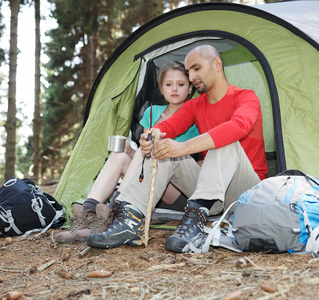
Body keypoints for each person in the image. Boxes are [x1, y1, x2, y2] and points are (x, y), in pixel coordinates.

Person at [87, 44, 268, 252]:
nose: (191, 77)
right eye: (189, 71)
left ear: (217, 64)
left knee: (225, 141)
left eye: (196, 68)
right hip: (214, 196)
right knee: (163, 148)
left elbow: (238, 127)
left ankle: (195, 221)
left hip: (246, 195)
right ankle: (129, 220)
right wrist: (150, 136)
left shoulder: (246, 97)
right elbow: (168, 126)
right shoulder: (195, 105)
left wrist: (182, 147)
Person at [56, 61, 199, 243]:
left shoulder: (194, 116)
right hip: (145, 182)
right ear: (161, 89)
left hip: (175, 190)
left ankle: (114, 211)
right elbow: (142, 160)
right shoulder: (151, 112)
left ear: (189, 89)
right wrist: (130, 151)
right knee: (120, 155)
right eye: (168, 84)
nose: (175, 89)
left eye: (181, 84)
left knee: (149, 148)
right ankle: (87, 215)